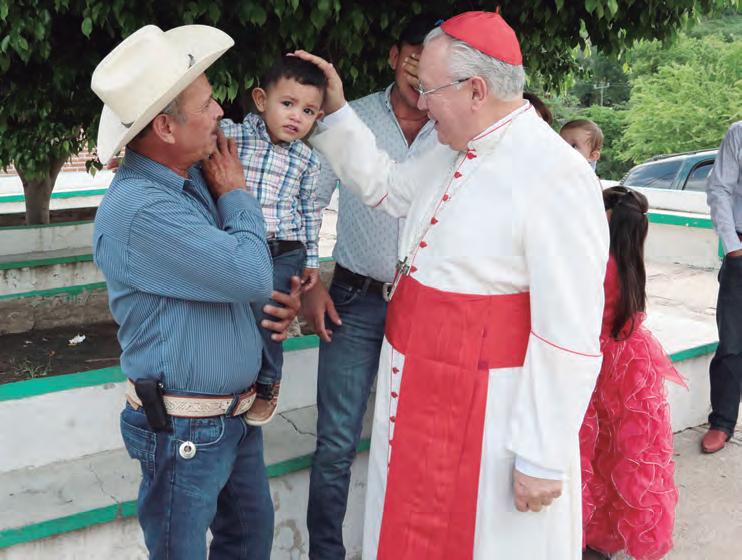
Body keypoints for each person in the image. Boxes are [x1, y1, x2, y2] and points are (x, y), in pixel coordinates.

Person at [297, 9, 609, 559]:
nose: (421, 104)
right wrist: (340, 112)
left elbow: (569, 331)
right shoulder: (451, 146)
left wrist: (540, 455)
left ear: (476, 90)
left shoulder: (557, 174)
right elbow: (388, 189)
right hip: (420, 390)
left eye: (430, 90)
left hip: (492, 411)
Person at [91, 25, 300, 558]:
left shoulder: (191, 179)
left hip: (229, 418)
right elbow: (248, 272)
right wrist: (237, 194)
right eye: (205, 104)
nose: (220, 114)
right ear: (165, 126)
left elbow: (242, 280)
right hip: (184, 430)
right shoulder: (142, 209)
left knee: (248, 541)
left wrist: (279, 301)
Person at [303, 14, 441, 560]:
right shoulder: (350, 118)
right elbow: (308, 202)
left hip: (426, 305)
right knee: (336, 442)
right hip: (353, 302)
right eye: (413, 56)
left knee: (417, 439)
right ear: (394, 57)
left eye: (432, 60)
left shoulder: (453, 130)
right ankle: (325, 554)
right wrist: (311, 281)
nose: (420, 71)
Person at [220, 55, 327, 425]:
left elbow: (310, 211)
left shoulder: (308, 160)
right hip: (237, 243)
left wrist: (311, 261)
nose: (296, 117)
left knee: (270, 309)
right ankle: (236, 377)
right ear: (261, 100)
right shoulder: (232, 134)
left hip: (284, 249)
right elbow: (192, 144)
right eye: (288, 104)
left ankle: (268, 381)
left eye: (308, 111)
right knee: (232, 310)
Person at [580, 186, 684, 560]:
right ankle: (606, 533)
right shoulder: (630, 261)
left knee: (590, 451)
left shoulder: (596, 264)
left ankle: (584, 530)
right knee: (622, 456)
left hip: (596, 363)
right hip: (629, 364)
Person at [703, 120, 742, 453]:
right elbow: (719, 188)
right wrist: (733, 247)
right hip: (740, 247)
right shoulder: (738, 133)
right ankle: (722, 422)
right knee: (731, 343)